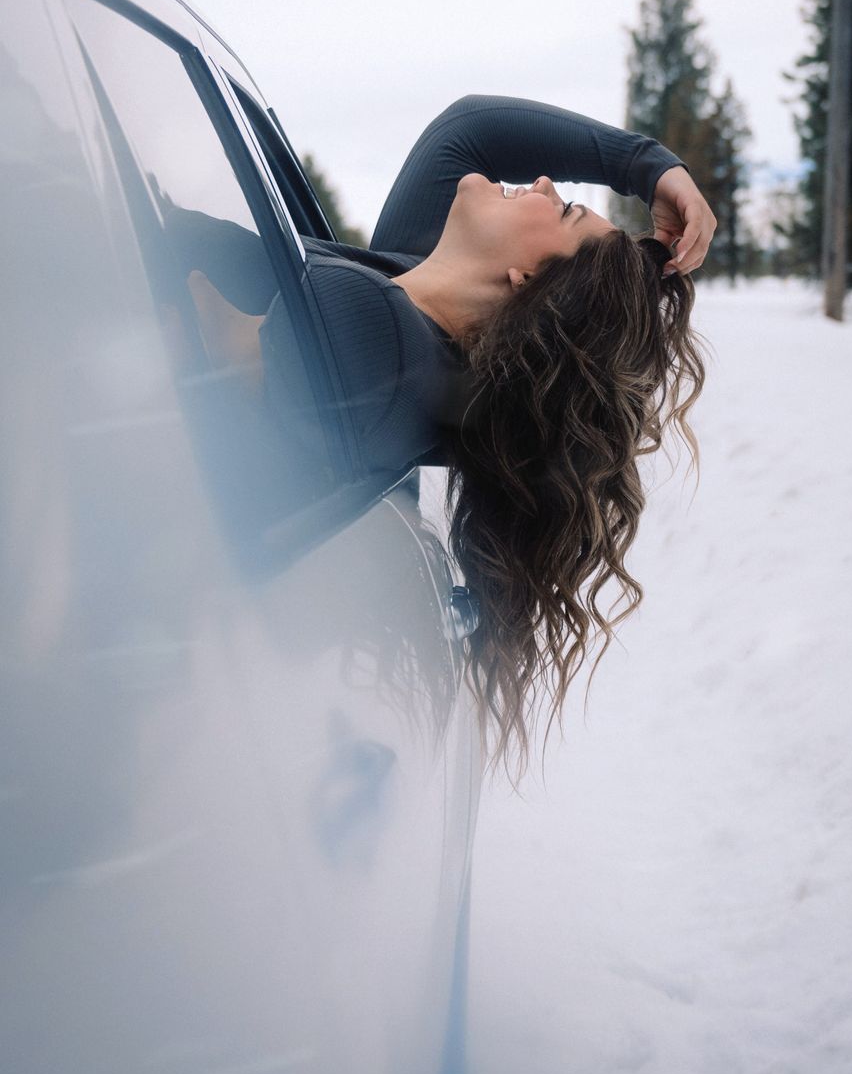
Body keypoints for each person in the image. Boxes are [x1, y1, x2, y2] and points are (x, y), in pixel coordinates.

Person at [171, 94, 713, 773]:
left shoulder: (385, 355)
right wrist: (648, 165)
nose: (546, 183)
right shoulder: (409, 306)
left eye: (565, 208)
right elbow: (470, 132)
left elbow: (195, 338)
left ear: (530, 285)